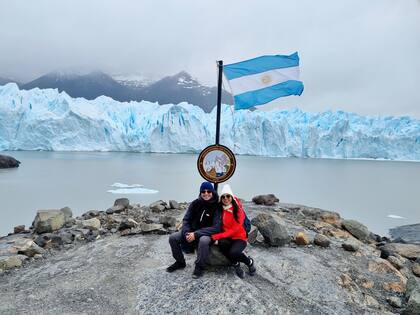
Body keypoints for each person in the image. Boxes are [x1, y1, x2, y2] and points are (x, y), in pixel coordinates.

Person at [166, 181, 221, 278]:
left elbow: (216, 227)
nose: (206, 193)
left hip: (207, 234)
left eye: (209, 191)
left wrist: (196, 234)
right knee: (173, 238)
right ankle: (180, 262)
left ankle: (199, 266)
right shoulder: (195, 203)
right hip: (191, 232)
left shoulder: (217, 206)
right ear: (200, 192)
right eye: (203, 191)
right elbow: (186, 219)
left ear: (212, 192)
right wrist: (187, 233)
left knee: (203, 241)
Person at [211, 184, 256, 278]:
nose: (225, 198)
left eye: (228, 196)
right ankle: (235, 264)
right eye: (223, 196)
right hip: (227, 237)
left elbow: (235, 230)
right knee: (222, 244)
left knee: (233, 252)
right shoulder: (221, 209)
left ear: (231, 197)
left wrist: (216, 237)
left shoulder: (238, 210)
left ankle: (249, 262)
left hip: (239, 237)